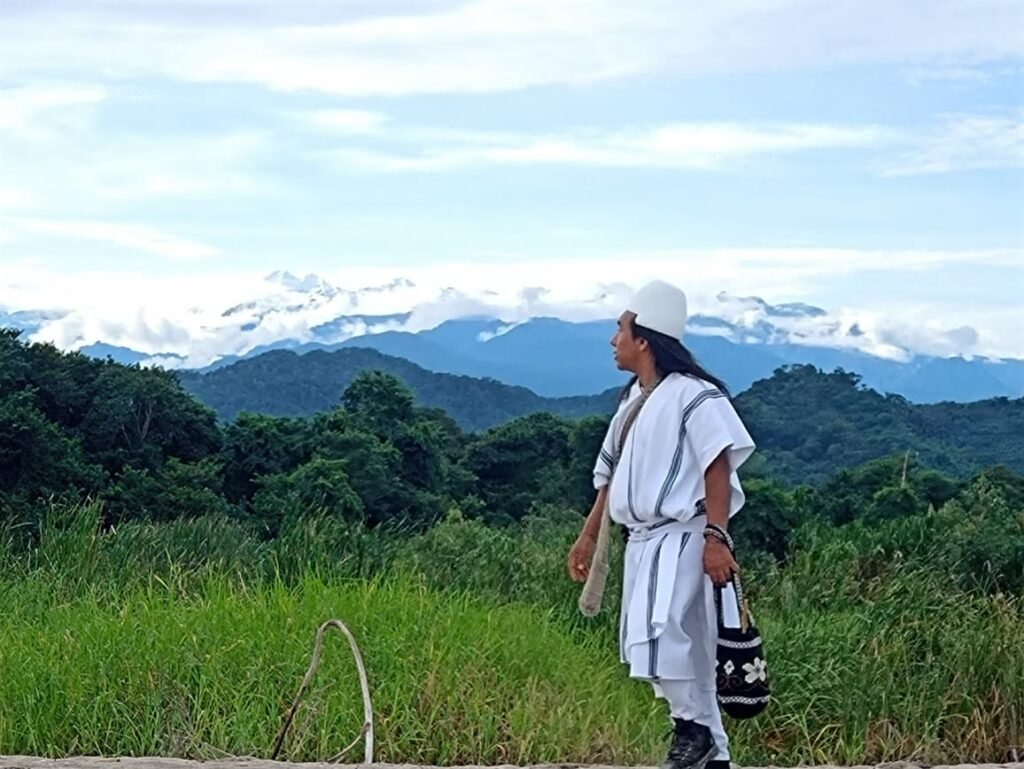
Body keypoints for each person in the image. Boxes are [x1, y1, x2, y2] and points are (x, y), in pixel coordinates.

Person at [567, 280, 756, 769]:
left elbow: (717, 464)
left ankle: (691, 729)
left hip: (683, 535)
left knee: (660, 635)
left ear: (645, 339)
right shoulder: (634, 399)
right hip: (642, 542)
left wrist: (716, 537)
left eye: (621, 329)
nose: (614, 340)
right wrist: (588, 535)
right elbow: (609, 478)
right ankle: (713, 755)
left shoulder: (694, 394)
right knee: (686, 653)